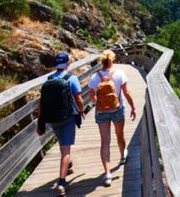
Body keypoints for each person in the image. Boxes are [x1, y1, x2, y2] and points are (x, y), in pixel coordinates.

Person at [37, 52, 84, 196]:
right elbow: (79, 99)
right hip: (67, 118)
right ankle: (62, 182)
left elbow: (41, 103)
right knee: (66, 151)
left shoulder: (48, 79)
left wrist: (40, 122)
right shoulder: (72, 79)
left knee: (62, 144)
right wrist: (81, 111)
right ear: (67, 64)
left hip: (52, 119)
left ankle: (68, 165)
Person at [88, 49, 136, 187]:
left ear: (101, 61)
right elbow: (126, 92)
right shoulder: (119, 73)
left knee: (105, 142)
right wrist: (133, 107)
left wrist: (99, 101)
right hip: (117, 109)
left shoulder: (94, 77)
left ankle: (108, 174)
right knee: (119, 134)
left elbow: (92, 96)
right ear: (112, 60)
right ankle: (122, 156)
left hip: (101, 112)